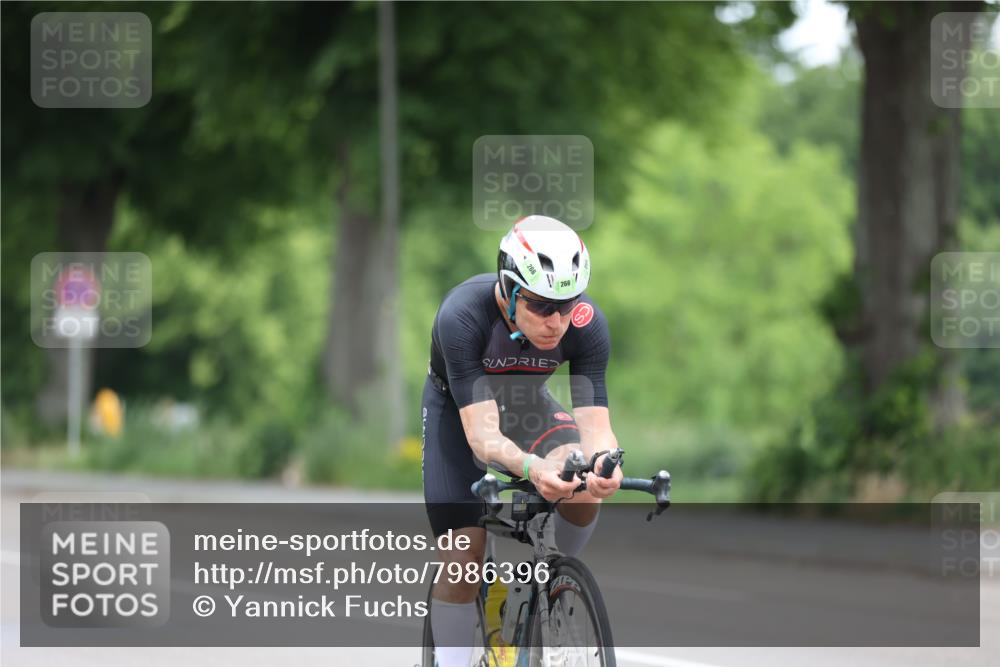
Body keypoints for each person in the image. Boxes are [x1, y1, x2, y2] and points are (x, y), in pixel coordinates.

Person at [422, 215, 622, 666]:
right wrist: (532, 469)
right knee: (463, 552)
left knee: (583, 480)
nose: (557, 321)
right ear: (509, 290)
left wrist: (605, 463)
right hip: (459, 414)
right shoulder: (463, 315)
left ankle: (552, 578)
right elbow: (482, 435)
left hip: (530, 404)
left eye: (567, 304)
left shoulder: (586, 324)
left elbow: (595, 425)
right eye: (541, 306)